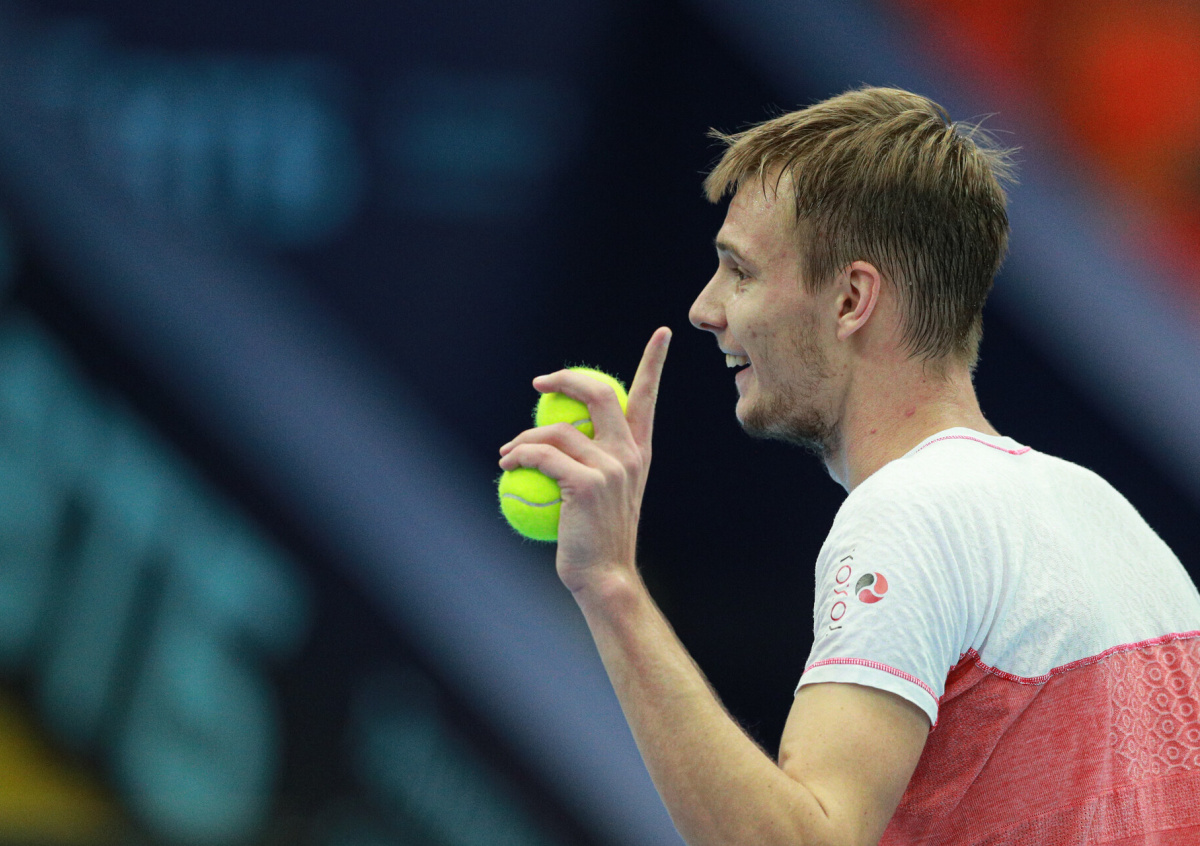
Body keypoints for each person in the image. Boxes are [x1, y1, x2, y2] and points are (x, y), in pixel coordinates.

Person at [498, 87, 1200, 845]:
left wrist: (610, 584)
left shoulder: (911, 515)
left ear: (851, 300)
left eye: (740, 271)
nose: (706, 307)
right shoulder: (1116, 526)